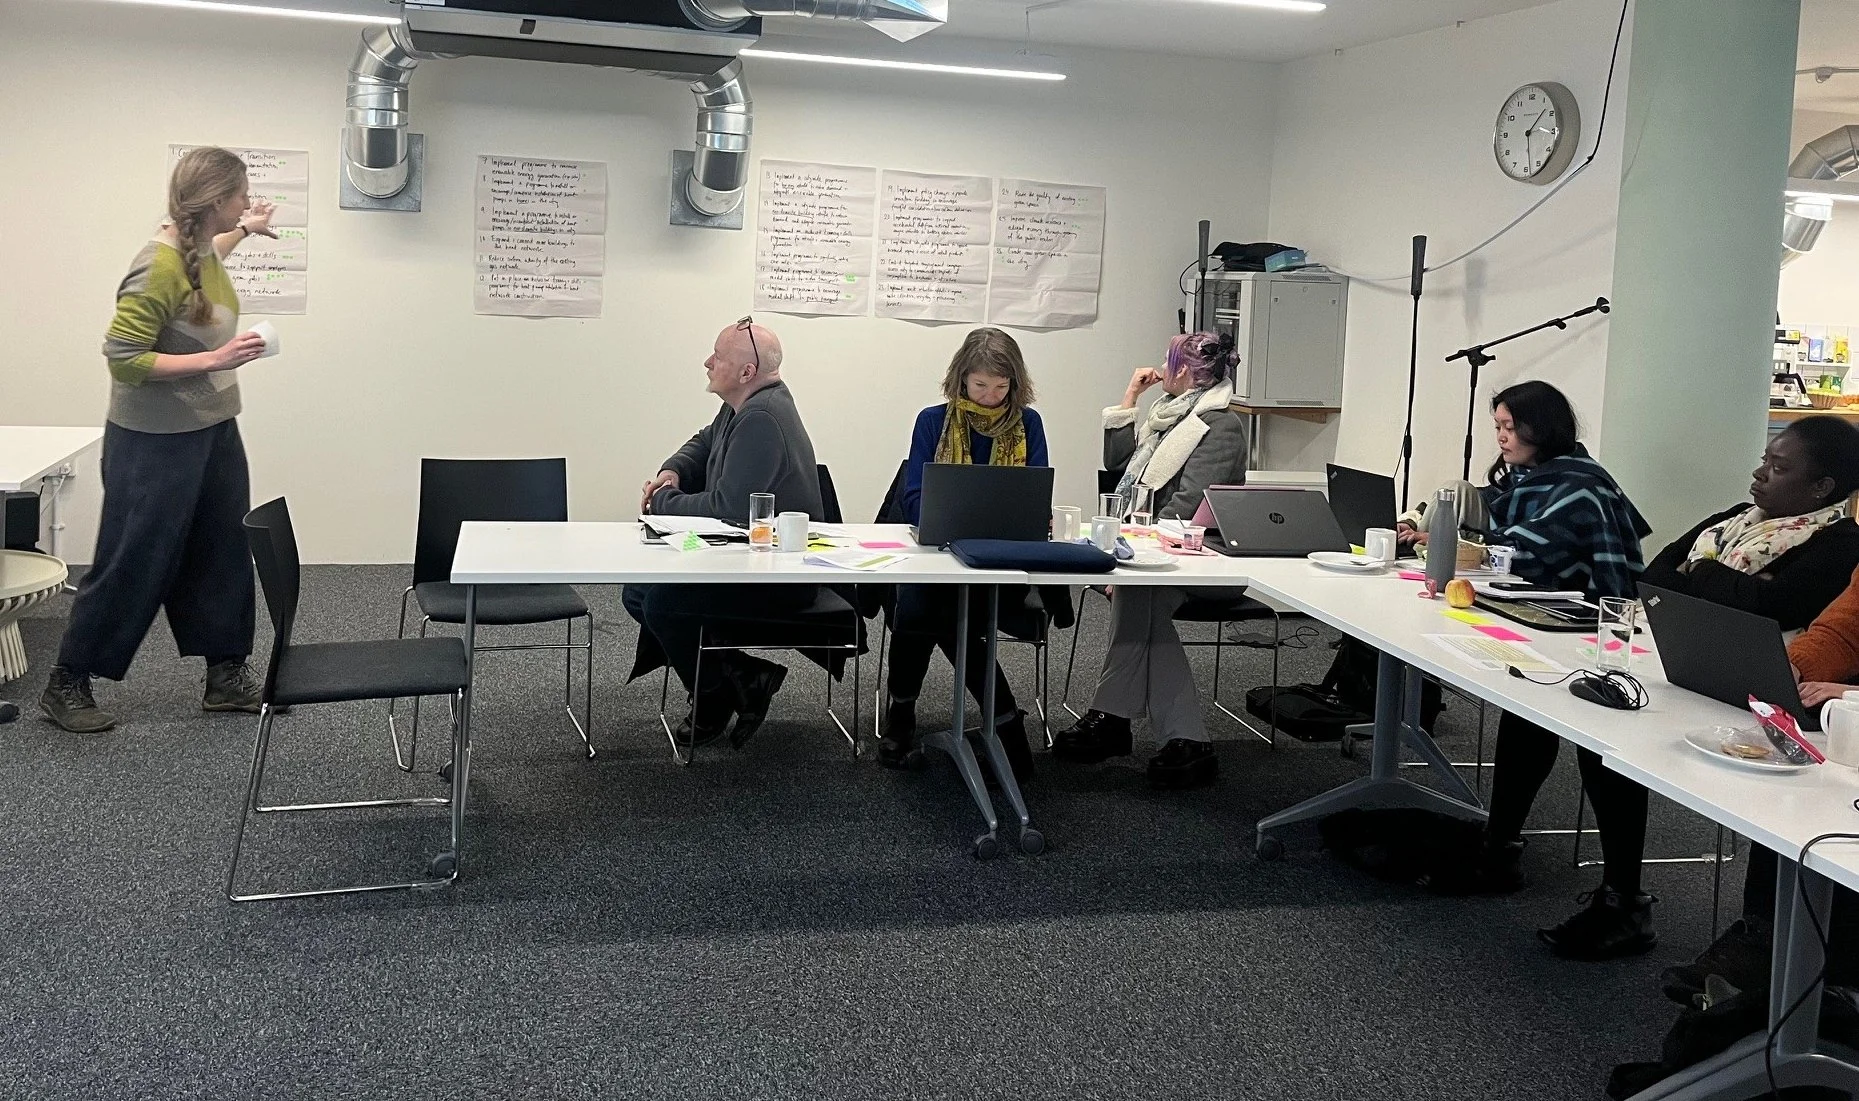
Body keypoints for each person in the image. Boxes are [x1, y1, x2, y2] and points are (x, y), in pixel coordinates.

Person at [1422, 383, 1662, 964]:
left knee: (1595, 748)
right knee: (1526, 717)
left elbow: (1524, 554)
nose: (1501, 438)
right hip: (1554, 621)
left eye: (1509, 427)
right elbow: (1500, 537)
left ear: (1541, 428)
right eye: (1498, 426)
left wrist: (1451, 542)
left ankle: (1621, 898)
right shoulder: (1529, 479)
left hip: (1599, 630)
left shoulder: (1577, 486)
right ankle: (1499, 845)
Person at [40, 147, 277, 734]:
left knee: (222, 546)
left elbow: (210, 257)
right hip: (153, 440)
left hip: (213, 428)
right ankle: (67, 680)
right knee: (136, 556)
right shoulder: (158, 264)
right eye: (241, 197)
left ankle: (226, 675)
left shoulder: (197, 247)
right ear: (216, 200)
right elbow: (123, 357)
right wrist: (217, 357)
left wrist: (247, 231)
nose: (247, 203)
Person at [1051, 331, 1247, 789]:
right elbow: (1118, 469)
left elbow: (1187, 507)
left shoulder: (1220, 426)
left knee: (1139, 596)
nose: (1161, 366)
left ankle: (1113, 718)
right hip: (1156, 555)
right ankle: (1183, 739)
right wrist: (1131, 397)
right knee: (1142, 602)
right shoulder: (1168, 417)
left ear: (1186, 370)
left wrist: (1132, 554)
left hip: (1207, 559)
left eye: (1169, 360)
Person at [626, 318, 826, 748]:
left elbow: (729, 508)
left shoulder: (762, 418)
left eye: (718, 356)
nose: (707, 361)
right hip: (748, 560)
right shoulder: (746, 404)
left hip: (779, 580)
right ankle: (741, 675)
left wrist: (660, 502)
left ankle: (715, 693)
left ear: (746, 372)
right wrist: (672, 471)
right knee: (637, 592)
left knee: (661, 601)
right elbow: (704, 441)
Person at [879, 328, 1047, 781]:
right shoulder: (932, 422)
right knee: (929, 602)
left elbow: (1035, 502)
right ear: (961, 381)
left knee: (932, 605)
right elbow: (914, 502)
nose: (991, 397)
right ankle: (1004, 720)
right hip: (939, 555)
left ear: (1015, 384)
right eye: (980, 386)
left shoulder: (1028, 424)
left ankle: (902, 713)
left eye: (1001, 387)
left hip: (1003, 563)